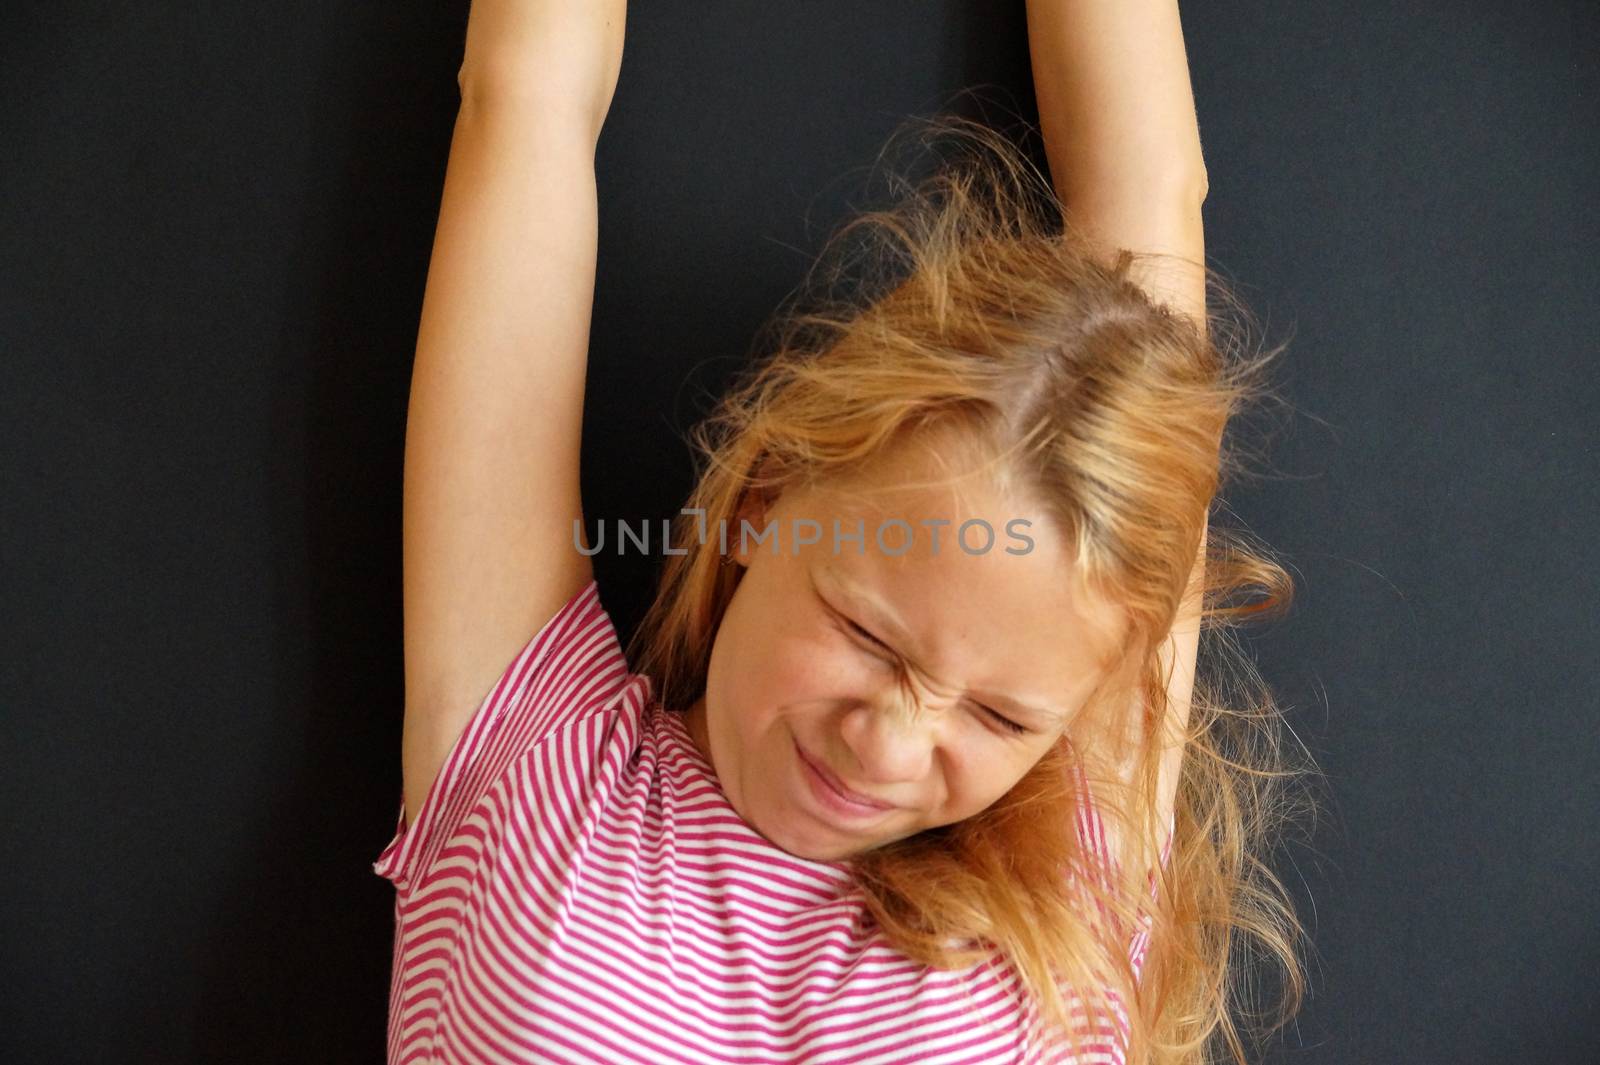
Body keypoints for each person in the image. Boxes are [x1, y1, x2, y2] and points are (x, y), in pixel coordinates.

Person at [373, 2, 1310, 1063]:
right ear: (763, 504)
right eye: (867, 637)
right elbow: (526, 93)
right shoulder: (533, 760)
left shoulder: (1070, 890)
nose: (888, 746)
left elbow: (1151, 199)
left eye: (1001, 718)